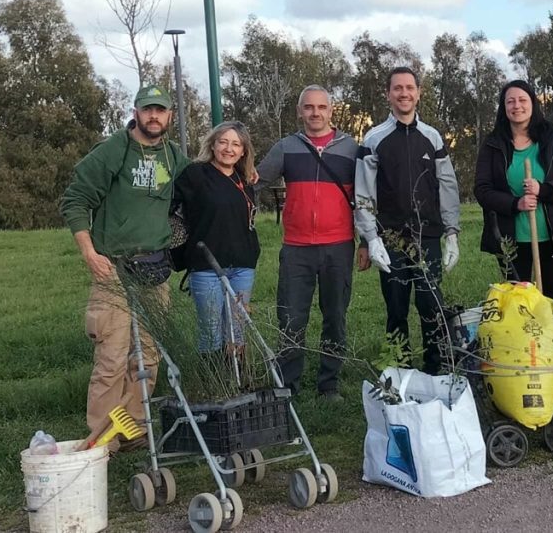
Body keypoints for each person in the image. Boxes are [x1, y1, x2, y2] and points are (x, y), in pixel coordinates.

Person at [60, 84, 188, 450]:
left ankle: (133, 430)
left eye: (160, 110)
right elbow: (75, 200)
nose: (153, 116)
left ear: (169, 116)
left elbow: (198, 185)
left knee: (147, 355)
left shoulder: (172, 156)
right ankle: (102, 440)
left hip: (154, 268)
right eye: (147, 109)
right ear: (135, 112)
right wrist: (89, 253)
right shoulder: (114, 150)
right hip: (113, 269)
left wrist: (243, 173)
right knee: (112, 357)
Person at [355, 67, 461, 376]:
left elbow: (448, 185)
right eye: (397, 88)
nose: (404, 93)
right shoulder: (374, 138)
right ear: (388, 94)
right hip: (390, 238)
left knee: (430, 305)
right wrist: (371, 238)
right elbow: (363, 193)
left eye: (409, 87)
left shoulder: (432, 137)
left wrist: (452, 232)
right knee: (396, 307)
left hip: (428, 236)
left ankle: (436, 368)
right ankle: (400, 370)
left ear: (418, 93)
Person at [255, 86, 359, 400]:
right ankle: (288, 386)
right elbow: (255, 182)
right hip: (297, 247)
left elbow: (366, 197)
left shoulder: (351, 149)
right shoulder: (286, 147)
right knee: (291, 318)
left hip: (338, 245)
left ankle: (329, 384)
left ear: (331, 111)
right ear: (300, 111)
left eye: (321, 107)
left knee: (335, 316)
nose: (315, 113)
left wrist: (368, 241)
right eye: (309, 107)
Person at [474, 79, 553, 309]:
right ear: (504, 107)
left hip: (551, 238)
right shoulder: (493, 144)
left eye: (522, 100)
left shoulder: (552, 140)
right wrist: (516, 203)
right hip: (511, 239)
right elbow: (482, 190)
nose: (517, 106)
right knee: (518, 305)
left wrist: (544, 189)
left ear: (532, 103)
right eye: (510, 101)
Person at [172, 121, 260, 364]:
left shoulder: (245, 179)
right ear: (212, 144)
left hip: (242, 265)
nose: (229, 149)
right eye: (223, 142)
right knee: (210, 330)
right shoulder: (195, 174)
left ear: (243, 150)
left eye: (236, 144)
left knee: (237, 329)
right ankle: (213, 380)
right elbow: (169, 207)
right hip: (206, 266)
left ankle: (237, 378)